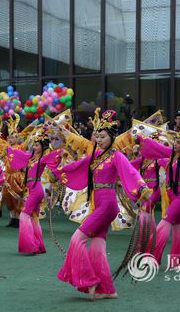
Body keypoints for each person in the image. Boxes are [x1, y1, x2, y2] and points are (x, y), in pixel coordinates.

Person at [49, 109, 151, 300]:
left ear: (112, 137)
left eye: (103, 136)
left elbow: (131, 173)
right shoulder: (96, 157)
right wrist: (56, 173)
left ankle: (90, 280)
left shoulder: (116, 156)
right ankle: (107, 290)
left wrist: (142, 189)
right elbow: (76, 167)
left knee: (76, 239)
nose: (99, 139)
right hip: (99, 204)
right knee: (97, 246)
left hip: (107, 205)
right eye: (97, 135)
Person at [137, 127, 180, 269]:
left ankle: (150, 259)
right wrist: (140, 138)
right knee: (178, 228)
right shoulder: (172, 155)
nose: (175, 144)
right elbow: (157, 147)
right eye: (175, 141)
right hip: (175, 197)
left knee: (163, 225)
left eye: (178, 142)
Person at [5, 128, 61, 254]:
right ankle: (39, 246)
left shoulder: (43, 159)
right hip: (33, 189)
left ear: (43, 146)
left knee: (24, 214)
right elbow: (20, 155)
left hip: (36, 190)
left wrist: (61, 154)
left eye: (37, 145)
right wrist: (8, 150)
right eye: (34, 145)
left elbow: (55, 157)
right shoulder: (32, 157)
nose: (34, 147)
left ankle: (30, 245)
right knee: (34, 217)